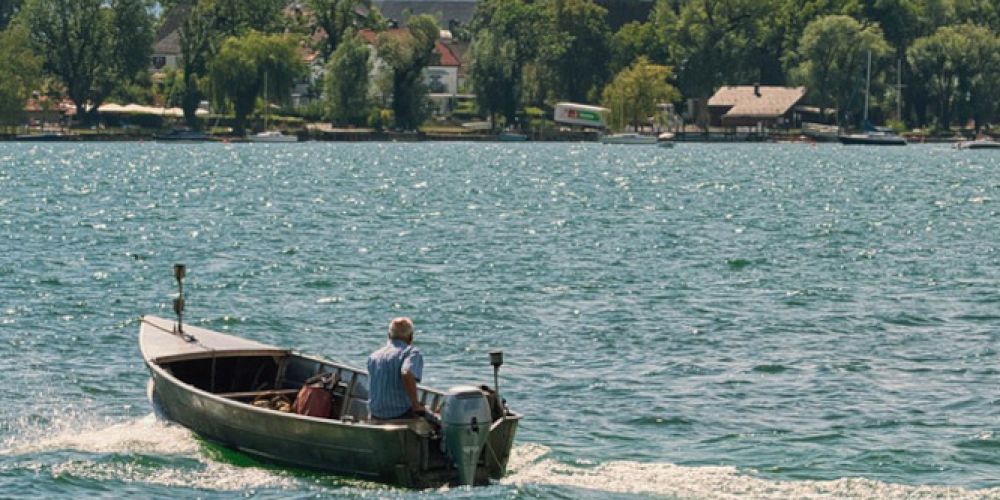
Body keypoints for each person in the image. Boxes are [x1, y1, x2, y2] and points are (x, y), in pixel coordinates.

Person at [367, 317, 426, 420]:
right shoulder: (410, 352)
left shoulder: (373, 357)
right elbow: (406, 372)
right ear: (410, 337)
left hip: (375, 414)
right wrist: (416, 405)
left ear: (389, 335)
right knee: (435, 421)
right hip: (401, 413)